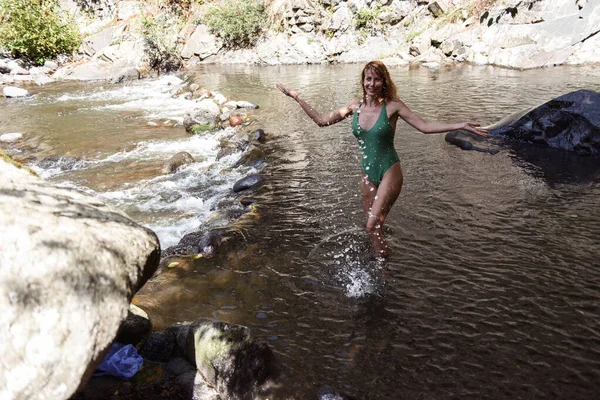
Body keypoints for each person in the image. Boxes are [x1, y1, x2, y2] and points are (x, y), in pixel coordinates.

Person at [276, 60, 488, 258]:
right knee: (374, 229)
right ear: (362, 81)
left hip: (389, 171)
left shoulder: (393, 106)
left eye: (377, 79)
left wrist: (460, 124)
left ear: (384, 82)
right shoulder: (354, 106)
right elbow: (321, 121)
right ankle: (381, 264)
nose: (372, 83)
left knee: (371, 225)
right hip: (367, 173)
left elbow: (424, 127)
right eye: (368, 79)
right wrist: (296, 97)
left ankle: (386, 270)